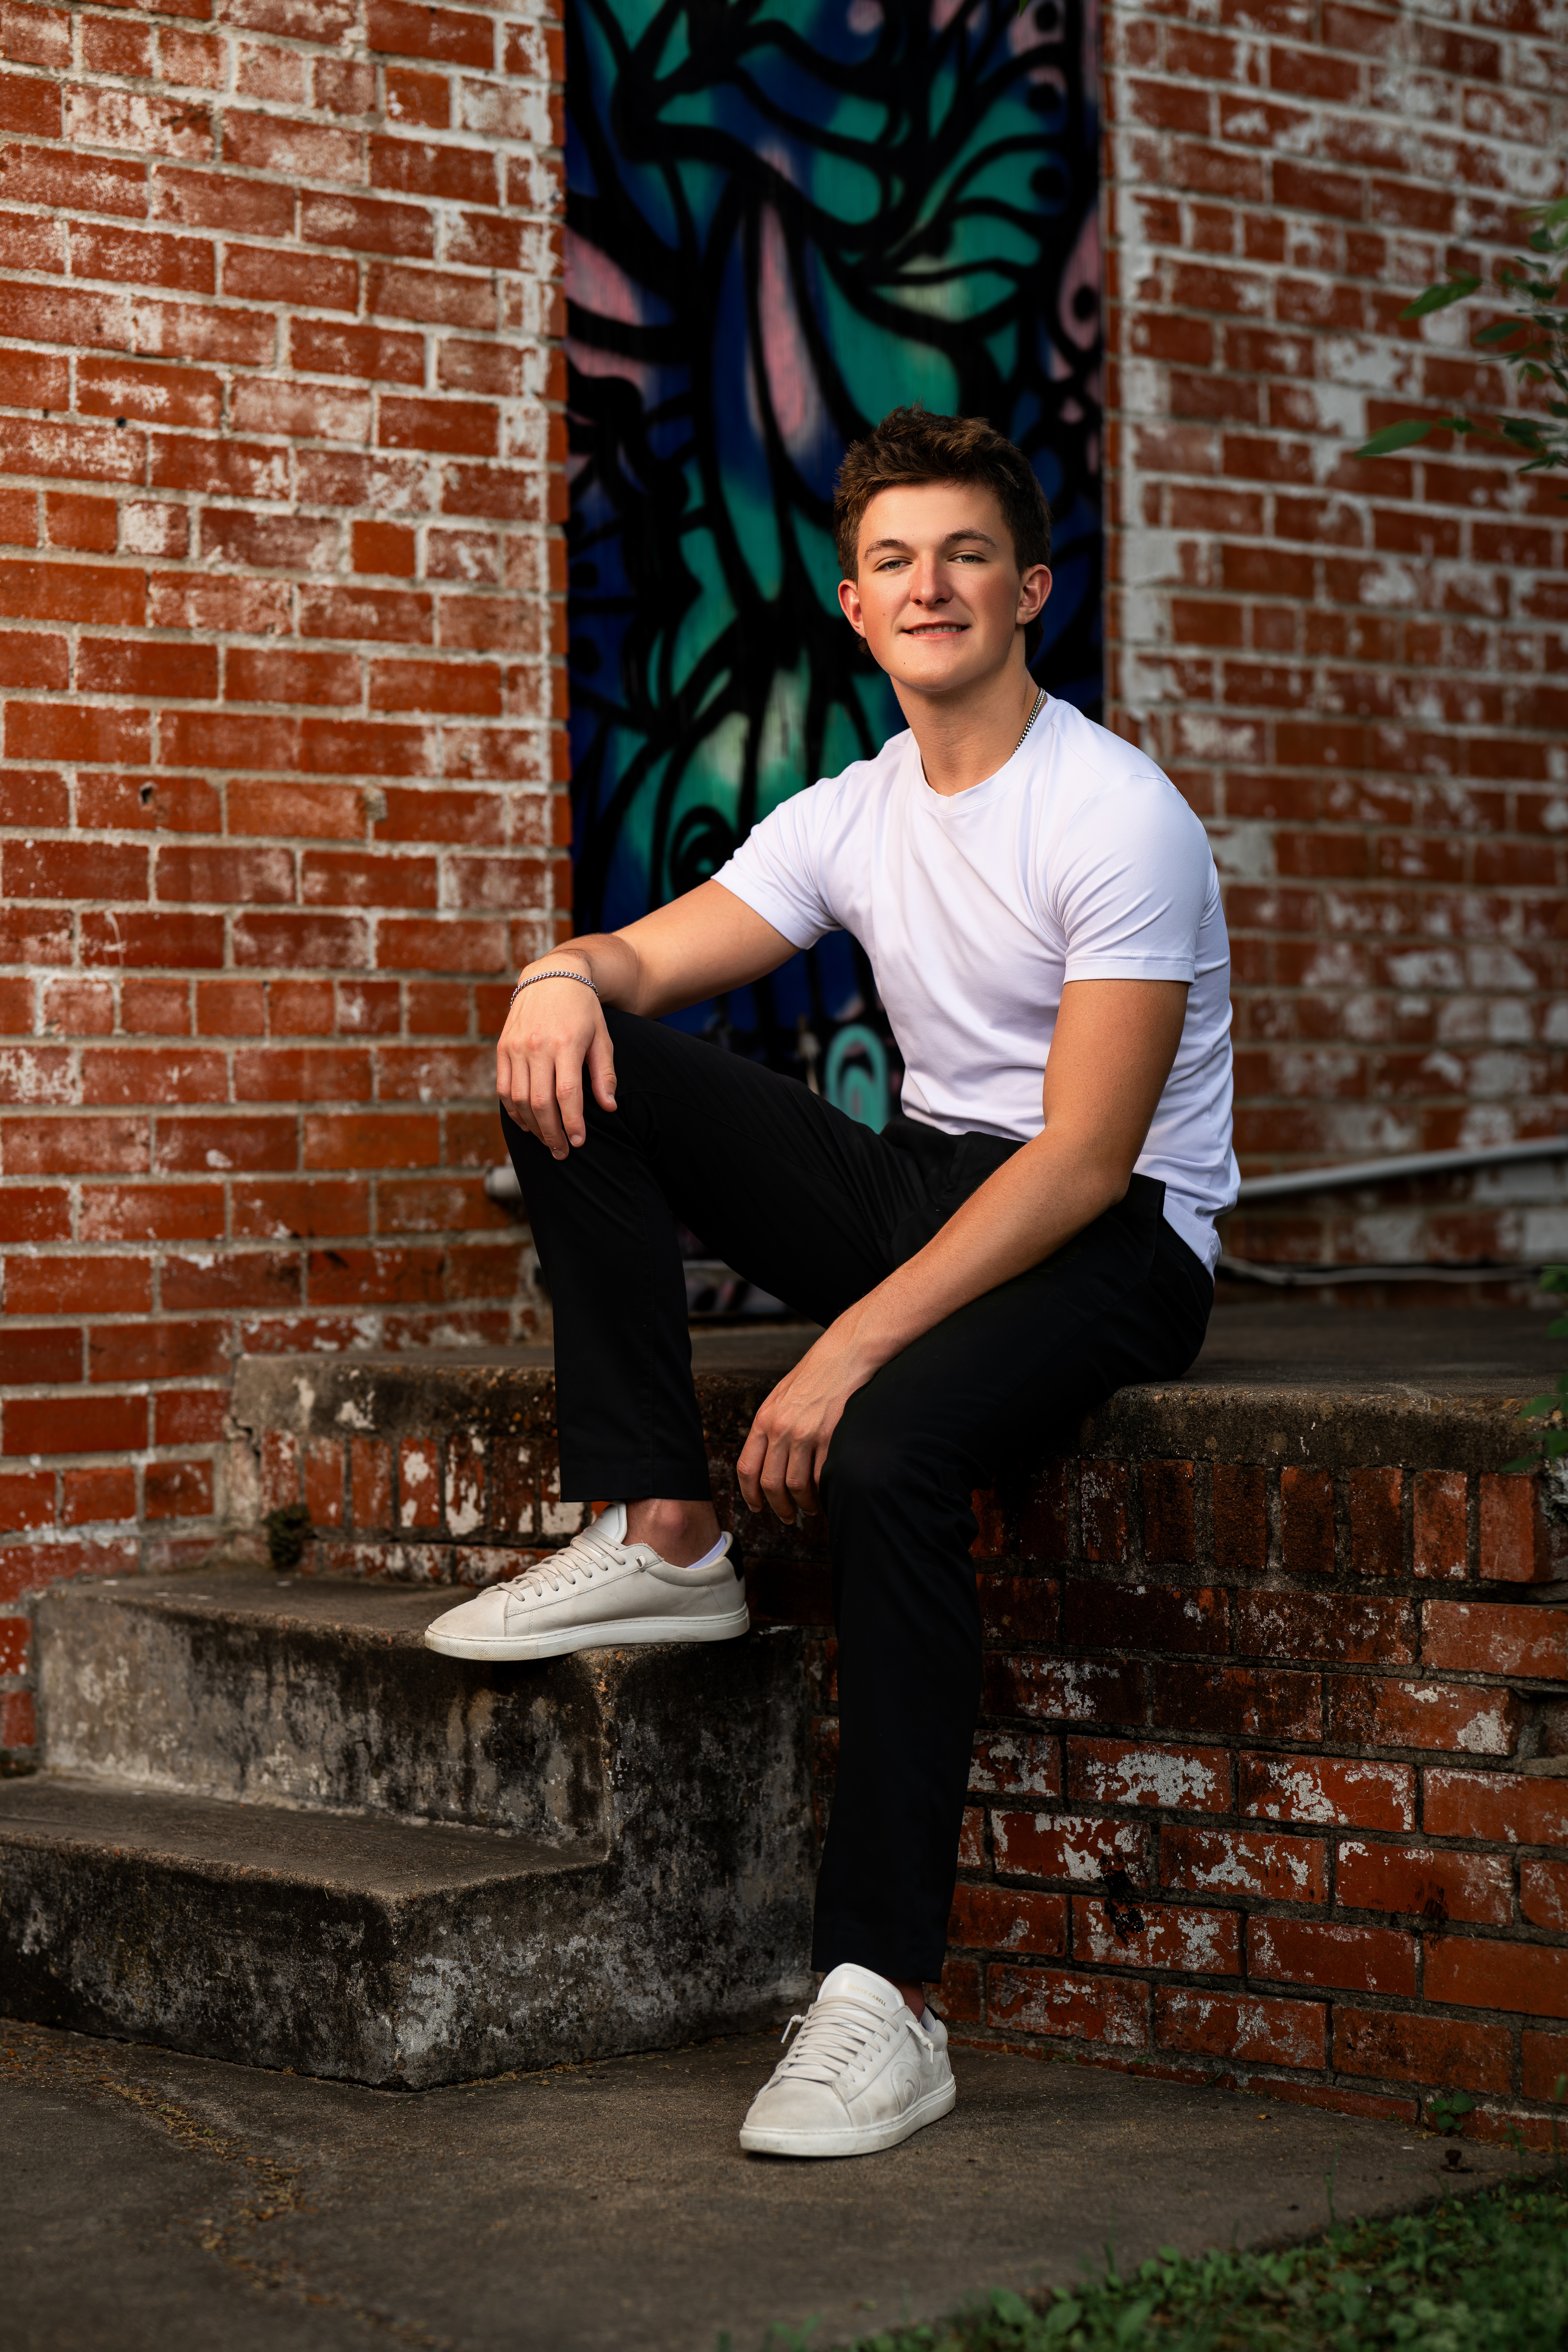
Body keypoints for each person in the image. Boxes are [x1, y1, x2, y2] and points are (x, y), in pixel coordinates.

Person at [425, 407, 1237, 2160]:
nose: (927, 585)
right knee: (585, 1055)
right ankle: (664, 1535)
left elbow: (1088, 1164)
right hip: (934, 1182)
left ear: (1029, 589)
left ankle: (883, 1999)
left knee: (884, 1460)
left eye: (962, 555)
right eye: (892, 561)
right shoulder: (856, 809)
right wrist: (561, 972)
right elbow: (660, 952)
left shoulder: (1119, 816)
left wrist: (847, 1353)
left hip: (1118, 1236)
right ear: (855, 610)